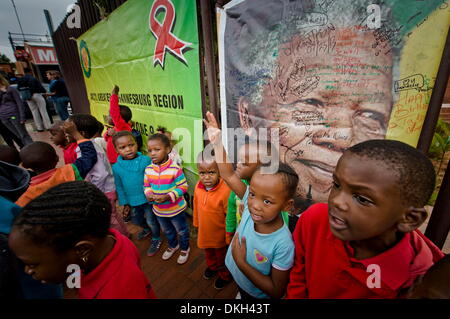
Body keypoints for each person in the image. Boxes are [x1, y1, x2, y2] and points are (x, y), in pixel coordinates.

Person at [224, 1, 402, 206]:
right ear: (247, 116)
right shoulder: (247, 198)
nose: (342, 137)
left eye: (371, 115)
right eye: (311, 102)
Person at [285, 139, 444, 299]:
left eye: (362, 199)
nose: (336, 201)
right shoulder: (316, 219)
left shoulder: (417, 284)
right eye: (337, 185)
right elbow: (299, 273)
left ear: (409, 218)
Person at [8, 181, 157, 299]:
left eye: (32, 264)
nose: (28, 271)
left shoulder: (119, 292)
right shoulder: (112, 240)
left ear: (82, 249)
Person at [204, 111, 296, 299]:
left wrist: (241, 262)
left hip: (256, 294)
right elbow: (228, 175)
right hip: (240, 279)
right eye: (252, 194)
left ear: (287, 206)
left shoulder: (284, 244)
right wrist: (217, 142)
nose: (254, 205)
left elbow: (276, 290)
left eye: (267, 201)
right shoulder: (248, 200)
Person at [69, 114, 128, 237]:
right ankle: (125, 234)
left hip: (103, 190)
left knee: (110, 218)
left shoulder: (86, 150)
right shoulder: (92, 144)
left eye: (70, 131)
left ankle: (121, 239)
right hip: (108, 188)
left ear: (82, 133)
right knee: (113, 214)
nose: (67, 133)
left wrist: (96, 192)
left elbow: (100, 174)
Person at [15, 121, 97, 207]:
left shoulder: (28, 196)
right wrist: (76, 134)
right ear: (57, 158)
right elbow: (89, 156)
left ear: (24, 166)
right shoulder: (69, 172)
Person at [226, 139, 289, 244]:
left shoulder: (275, 195)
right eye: (239, 160)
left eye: (244, 163)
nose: (238, 164)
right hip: (240, 235)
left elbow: (281, 225)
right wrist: (230, 230)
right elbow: (231, 208)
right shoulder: (239, 185)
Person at [144, 133, 189, 264]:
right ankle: (173, 245)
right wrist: (149, 194)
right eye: (150, 150)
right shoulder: (148, 169)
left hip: (176, 210)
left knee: (181, 231)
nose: (153, 153)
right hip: (159, 211)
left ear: (168, 149)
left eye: (157, 149)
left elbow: (183, 187)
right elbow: (146, 185)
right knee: (168, 230)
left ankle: (185, 248)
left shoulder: (175, 169)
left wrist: (168, 196)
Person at [111, 131, 159, 245]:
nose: (128, 149)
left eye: (131, 145)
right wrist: (125, 203)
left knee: (151, 220)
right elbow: (119, 186)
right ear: (116, 150)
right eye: (122, 147)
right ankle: (147, 230)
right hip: (132, 201)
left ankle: (156, 237)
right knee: (136, 220)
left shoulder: (146, 160)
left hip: (148, 198)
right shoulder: (117, 167)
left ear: (136, 144)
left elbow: (155, 177)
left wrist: (156, 193)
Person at [193, 150, 232, 289]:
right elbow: (196, 207)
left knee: (222, 257)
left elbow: (230, 216)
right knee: (208, 253)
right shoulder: (198, 187)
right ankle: (212, 267)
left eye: (211, 172)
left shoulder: (226, 190)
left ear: (219, 171)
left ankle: (225, 275)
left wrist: (228, 236)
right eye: (202, 173)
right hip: (205, 233)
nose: (206, 177)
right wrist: (196, 224)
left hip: (220, 236)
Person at [0, 74, 33, 147]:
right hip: (4, 117)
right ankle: (27, 151)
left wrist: (22, 117)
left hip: (13, 115)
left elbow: (19, 103)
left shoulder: (10, 89)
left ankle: (33, 150)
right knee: (18, 136)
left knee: (23, 135)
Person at [104, 85, 132, 164]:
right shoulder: (116, 128)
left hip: (121, 162)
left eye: (109, 115)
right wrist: (108, 134)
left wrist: (114, 95)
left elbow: (114, 111)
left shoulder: (122, 126)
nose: (108, 117)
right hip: (113, 162)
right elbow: (106, 139)